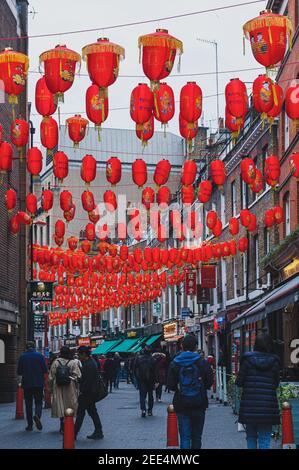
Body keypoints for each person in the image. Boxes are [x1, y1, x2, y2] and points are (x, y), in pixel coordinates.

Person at [167, 335, 214, 449]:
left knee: (185, 437)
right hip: (199, 402)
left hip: (181, 403)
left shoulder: (175, 362)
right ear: (196, 347)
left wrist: (179, 387)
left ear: (182, 347)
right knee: (197, 437)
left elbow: (170, 385)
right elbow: (209, 381)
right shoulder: (202, 362)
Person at [236, 332, 280, 449]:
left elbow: (239, 383)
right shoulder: (274, 361)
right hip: (267, 407)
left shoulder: (247, 360)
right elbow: (276, 383)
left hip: (249, 406)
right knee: (265, 439)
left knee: (251, 437)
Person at [48, 346, 81, 433]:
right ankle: (69, 424)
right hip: (70, 386)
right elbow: (78, 376)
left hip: (58, 386)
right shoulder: (73, 362)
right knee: (70, 404)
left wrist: (50, 388)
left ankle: (62, 425)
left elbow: (51, 377)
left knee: (60, 404)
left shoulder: (56, 362)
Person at [17, 341, 48, 431]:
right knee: (38, 402)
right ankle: (37, 415)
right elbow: (45, 370)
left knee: (28, 404)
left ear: (26, 347)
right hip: (38, 383)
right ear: (34, 347)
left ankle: (30, 425)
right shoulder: (39, 356)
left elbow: (19, 372)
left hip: (27, 384)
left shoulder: (22, 356)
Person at [74, 346, 103, 440]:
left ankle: (74, 433)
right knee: (92, 412)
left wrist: (80, 385)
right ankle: (98, 431)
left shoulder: (89, 364)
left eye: (79, 354)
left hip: (88, 393)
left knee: (81, 413)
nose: (78, 356)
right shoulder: (89, 362)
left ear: (84, 354)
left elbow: (88, 380)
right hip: (90, 392)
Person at [134, 346, 156, 417]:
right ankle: (150, 411)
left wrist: (137, 378)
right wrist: (155, 380)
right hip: (150, 380)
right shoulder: (152, 359)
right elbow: (155, 371)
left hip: (141, 380)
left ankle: (143, 410)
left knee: (142, 396)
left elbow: (134, 369)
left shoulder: (139, 359)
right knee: (150, 395)